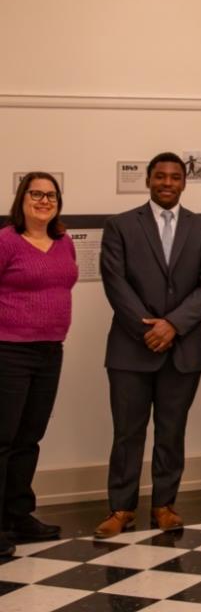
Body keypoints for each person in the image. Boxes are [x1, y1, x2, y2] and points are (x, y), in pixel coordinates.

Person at [95, 153, 201, 538]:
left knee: (171, 431)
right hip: (131, 349)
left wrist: (173, 325)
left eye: (175, 177)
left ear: (185, 182)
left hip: (182, 349)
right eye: (160, 176)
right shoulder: (120, 225)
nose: (167, 182)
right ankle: (121, 509)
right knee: (127, 433)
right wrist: (147, 328)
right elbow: (114, 281)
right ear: (148, 180)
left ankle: (164, 505)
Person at [0, 173, 78, 557]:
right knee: (2, 440)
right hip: (9, 352)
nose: (44, 200)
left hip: (50, 352)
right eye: (36, 194)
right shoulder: (6, 241)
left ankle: (18, 516)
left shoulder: (64, 243)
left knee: (29, 438)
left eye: (51, 195)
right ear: (22, 198)